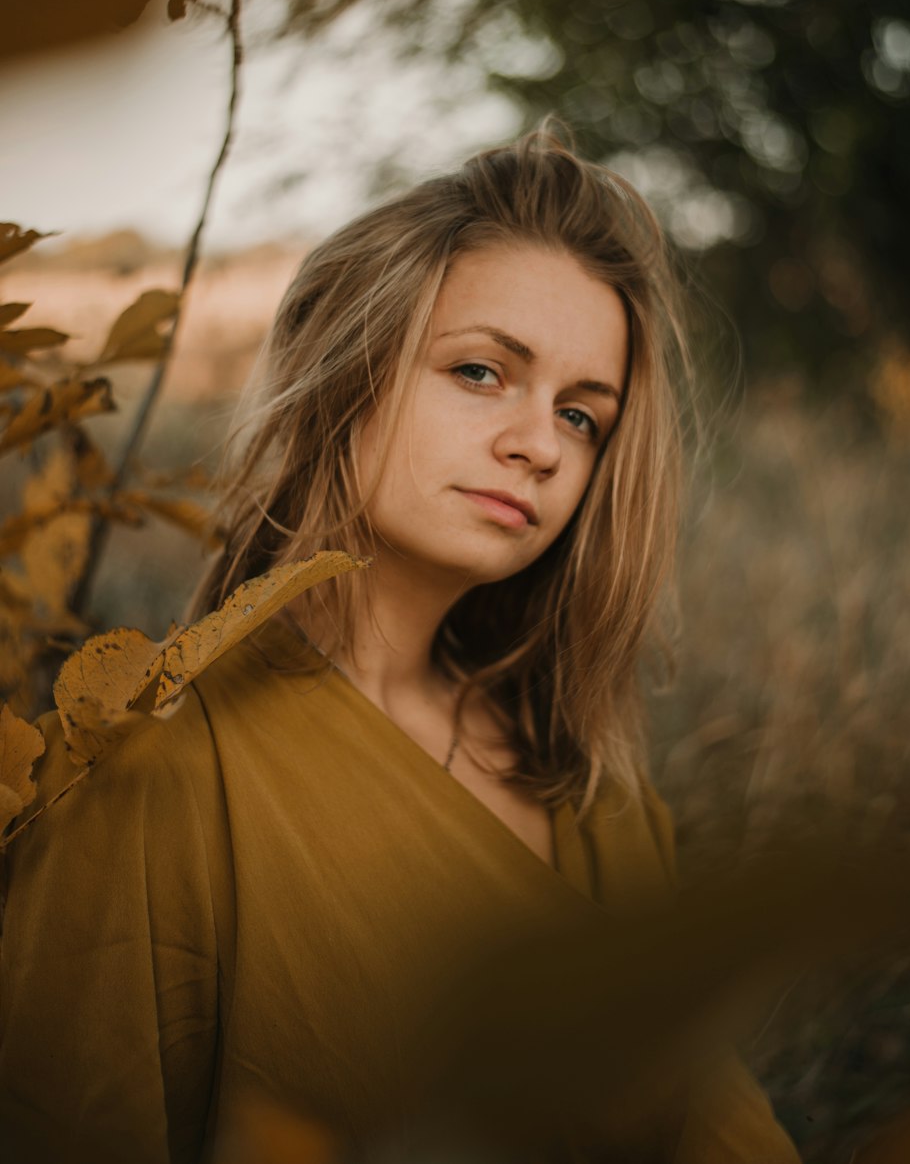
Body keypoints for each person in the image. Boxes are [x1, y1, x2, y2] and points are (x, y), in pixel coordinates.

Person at [0, 125, 799, 1162]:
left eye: (581, 414)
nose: (539, 444)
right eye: (478, 370)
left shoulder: (584, 770)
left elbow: (710, 1118)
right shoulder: (153, 767)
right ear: (345, 371)